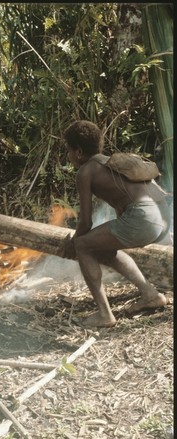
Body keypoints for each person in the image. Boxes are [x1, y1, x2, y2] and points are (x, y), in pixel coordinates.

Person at [62, 119, 170, 328]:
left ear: (79, 152)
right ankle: (150, 294)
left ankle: (104, 314)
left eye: (68, 150)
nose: (68, 155)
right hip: (163, 218)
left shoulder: (86, 172)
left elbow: (85, 222)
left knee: (83, 245)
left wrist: (72, 243)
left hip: (145, 219)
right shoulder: (112, 162)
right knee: (100, 248)